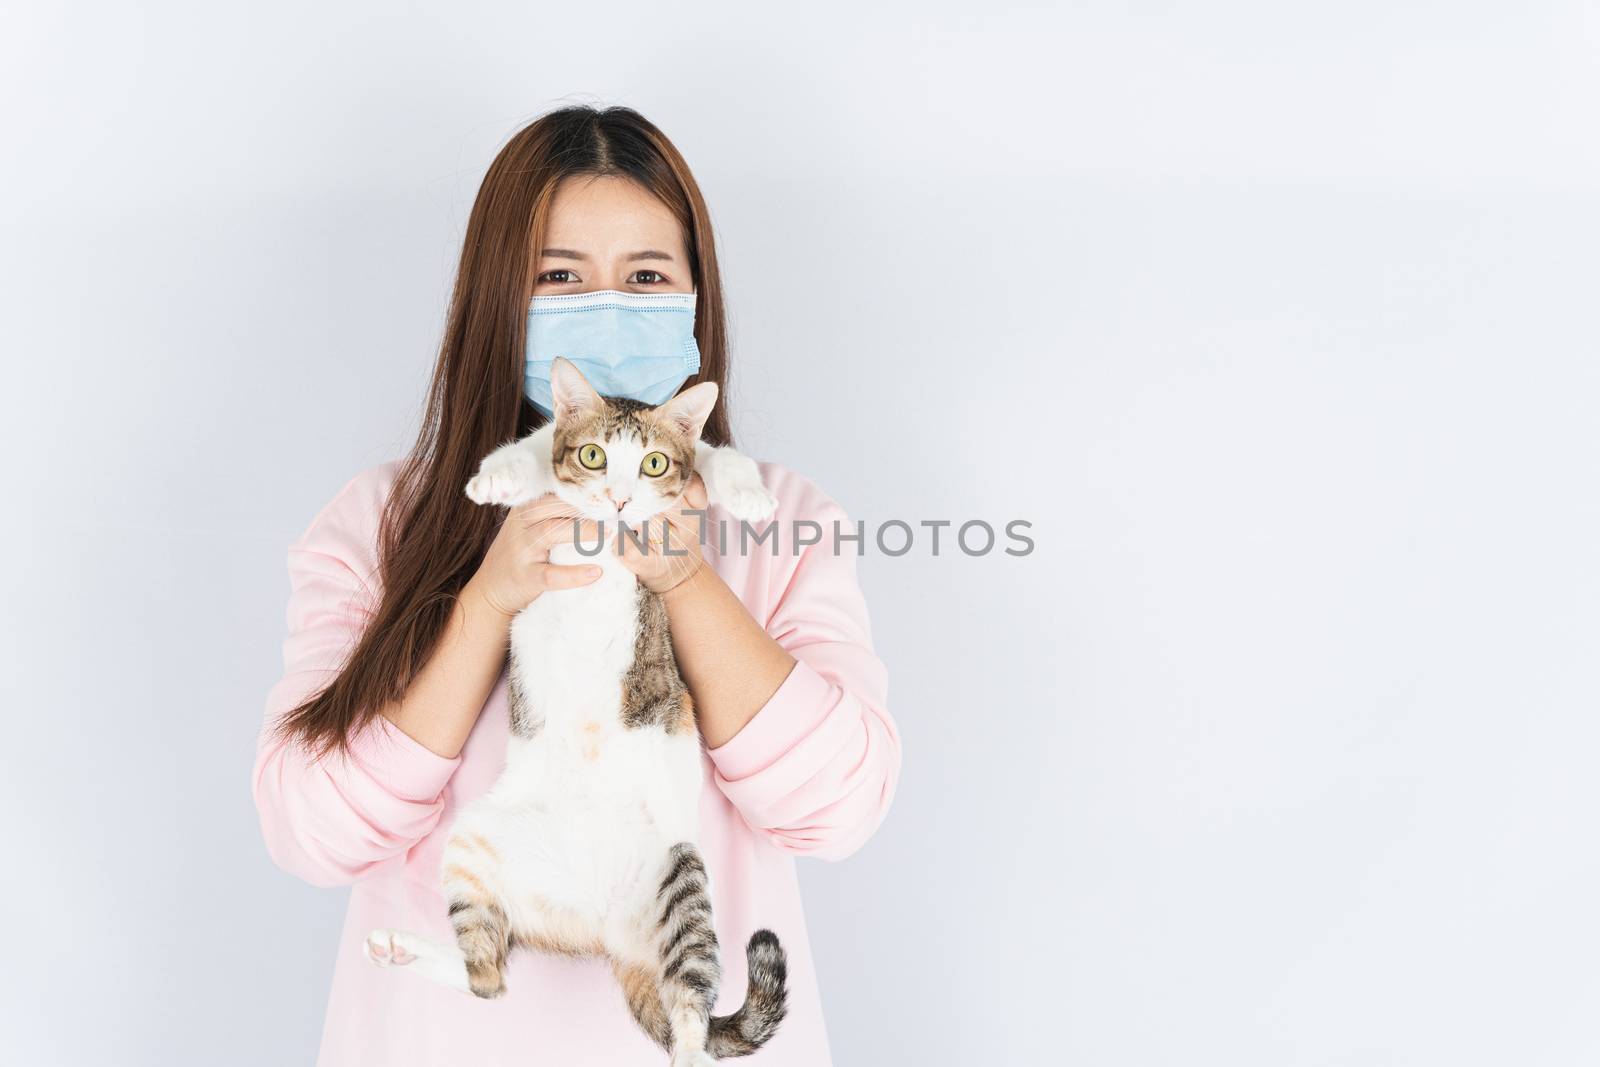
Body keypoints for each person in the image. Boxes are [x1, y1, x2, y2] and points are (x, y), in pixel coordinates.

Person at [250, 104, 901, 1066]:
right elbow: (312, 829)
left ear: (694, 299)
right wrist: (484, 604)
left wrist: (685, 578)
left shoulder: (777, 521)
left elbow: (839, 807)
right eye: (559, 277)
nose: (605, 303)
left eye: (645, 276)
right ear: (498, 301)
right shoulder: (384, 522)